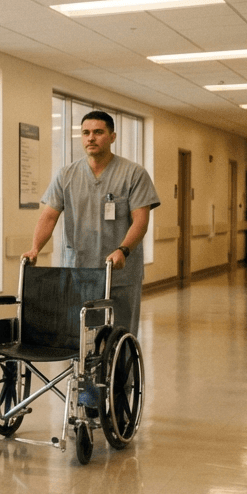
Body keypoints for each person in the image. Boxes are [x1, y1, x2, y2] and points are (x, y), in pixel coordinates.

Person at [23, 110, 161, 334]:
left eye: (98, 132)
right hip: (79, 271)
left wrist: (123, 250)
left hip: (120, 272)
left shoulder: (134, 174)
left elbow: (141, 221)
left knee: (120, 334)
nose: (91, 138)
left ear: (112, 137)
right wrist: (35, 248)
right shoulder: (66, 175)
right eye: (86, 133)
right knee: (78, 337)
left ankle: (120, 369)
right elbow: (49, 216)